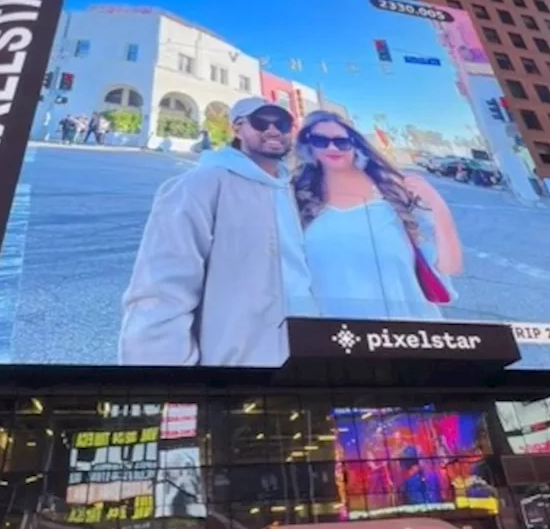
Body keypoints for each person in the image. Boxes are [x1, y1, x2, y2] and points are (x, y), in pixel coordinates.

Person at [119, 96, 317, 367]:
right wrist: (166, 379)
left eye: (281, 123)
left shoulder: (295, 192)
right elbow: (162, 290)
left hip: (303, 359)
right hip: (237, 367)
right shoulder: (201, 185)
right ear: (237, 129)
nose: (273, 130)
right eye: (261, 122)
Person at [292, 110, 462, 320]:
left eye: (341, 142)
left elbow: (450, 266)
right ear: (308, 145)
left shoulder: (395, 193)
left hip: (410, 333)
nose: (332, 148)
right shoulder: (295, 199)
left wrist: (438, 205)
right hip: (336, 338)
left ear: (355, 145)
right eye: (320, 140)